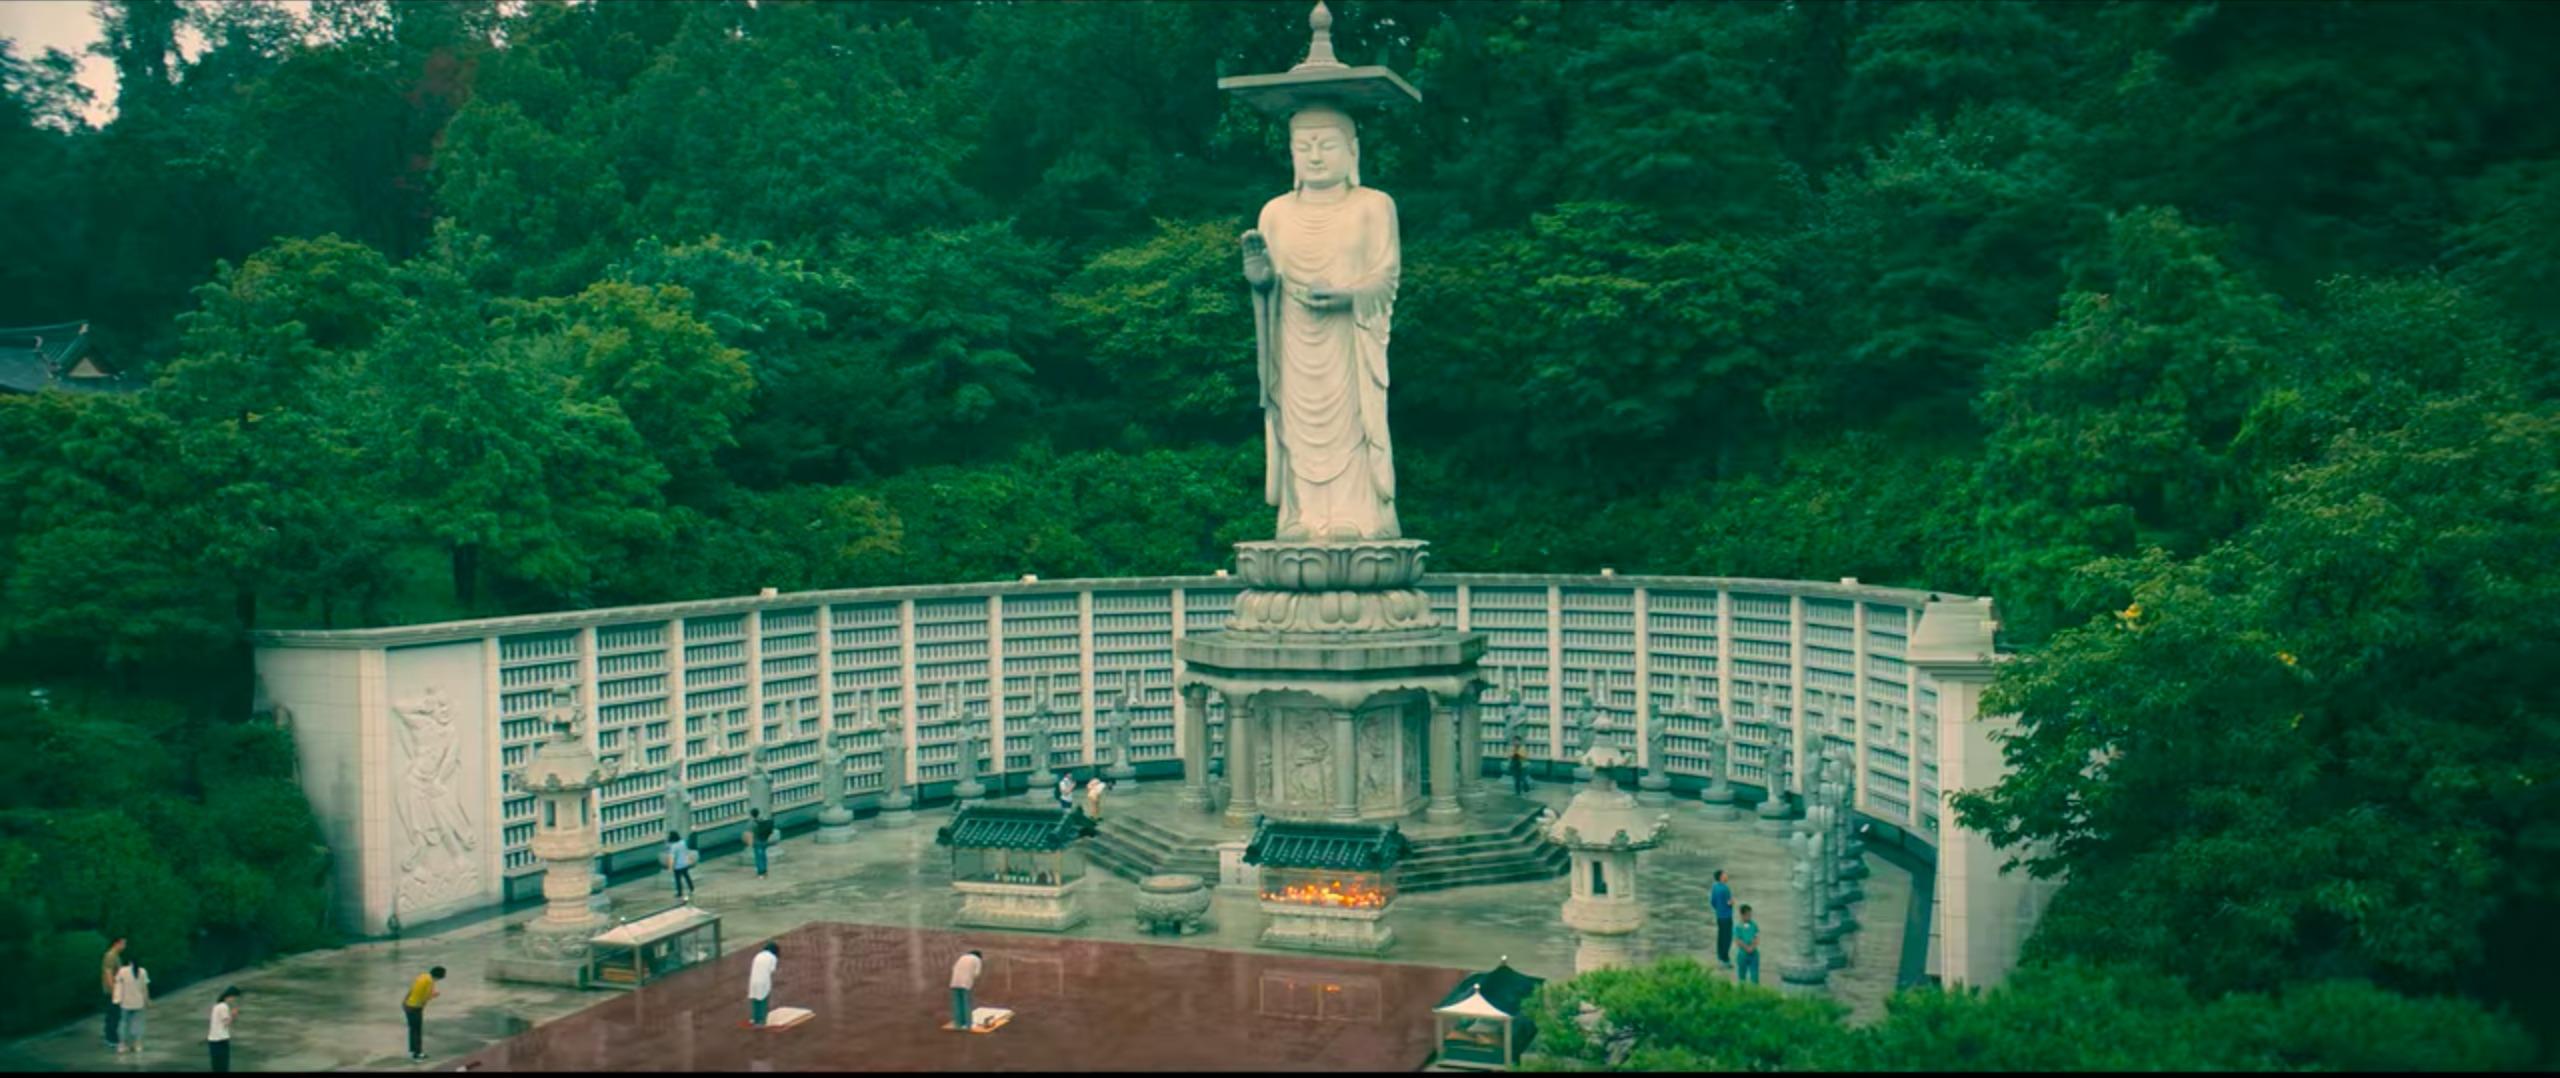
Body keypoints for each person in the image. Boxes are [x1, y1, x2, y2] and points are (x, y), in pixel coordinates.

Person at [402, 965, 444, 1062]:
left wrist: (404, 1001)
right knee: (417, 1030)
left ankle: (413, 1050)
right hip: (415, 1008)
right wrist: (434, 995)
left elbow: (412, 989)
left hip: (408, 1005)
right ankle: (418, 1054)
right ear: (439, 976)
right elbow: (425, 997)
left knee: (413, 1029)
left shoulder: (423, 976)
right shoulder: (430, 982)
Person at [111, 954, 148, 1054]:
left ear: (129, 961)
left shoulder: (122, 971)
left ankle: (122, 1045)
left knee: (123, 1023)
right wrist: (147, 1000)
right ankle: (137, 1044)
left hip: (125, 1002)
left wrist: (117, 999)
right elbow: (144, 988)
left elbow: (117, 985)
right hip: (138, 1002)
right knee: (137, 1024)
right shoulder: (142, 971)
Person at [745, 942, 780, 1028]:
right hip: (763, 981)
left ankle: (755, 1018)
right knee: (763, 1000)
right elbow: (772, 970)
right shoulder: (773, 958)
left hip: (753, 980)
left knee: (755, 999)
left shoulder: (758, 955)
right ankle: (761, 1021)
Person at [206, 986, 240, 1073]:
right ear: (230, 996)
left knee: (216, 1064)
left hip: (213, 1039)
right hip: (221, 1039)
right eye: (234, 997)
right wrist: (233, 1015)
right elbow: (226, 1023)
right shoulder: (223, 1007)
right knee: (223, 1065)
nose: (233, 1000)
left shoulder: (217, 1005)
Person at [100, 936, 126, 1050]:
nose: (124, 946)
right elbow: (108, 974)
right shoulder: (110, 956)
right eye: (123, 943)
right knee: (113, 1015)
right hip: (112, 991)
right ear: (117, 943)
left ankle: (110, 1037)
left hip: (116, 989)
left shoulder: (115, 956)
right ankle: (111, 1038)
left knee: (113, 1014)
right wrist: (114, 990)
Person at [949, 949, 984, 1031]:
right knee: (966, 1004)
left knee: (957, 1004)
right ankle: (968, 1024)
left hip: (954, 982)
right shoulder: (977, 960)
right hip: (965, 984)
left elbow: (953, 968)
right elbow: (976, 973)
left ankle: (958, 1024)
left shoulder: (962, 957)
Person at [1710, 869, 1735, 966]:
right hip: (1727, 916)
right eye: (1725, 874)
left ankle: (1720, 957)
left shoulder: (1715, 887)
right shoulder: (1725, 888)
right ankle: (1725, 960)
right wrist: (1732, 902)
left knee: (1720, 937)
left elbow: (1713, 902)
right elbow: (1729, 902)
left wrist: (1719, 909)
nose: (1727, 876)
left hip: (1719, 916)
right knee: (1727, 938)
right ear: (1721, 877)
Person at [663, 830, 696, 902]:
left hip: (677, 866)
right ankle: (691, 888)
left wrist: (670, 867)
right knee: (687, 876)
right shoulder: (683, 842)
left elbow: (672, 857)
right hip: (684, 864)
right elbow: (687, 852)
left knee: (678, 880)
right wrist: (690, 861)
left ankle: (680, 893)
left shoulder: (673, 846)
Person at [1734, 904, 1761, 985]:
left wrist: (1752, 947)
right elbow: (1738, 941)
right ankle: (1742, 993)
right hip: (1743, 954)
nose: (1749, 916)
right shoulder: (1738, 927)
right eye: (1747, 914)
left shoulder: (1754, 925)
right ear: (1742, 915)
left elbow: (1757, 937)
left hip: (1754, 954)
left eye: (1750, 914)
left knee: (1755, 977)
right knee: (1742, 977)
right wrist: (1747, 948)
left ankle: (1755, 993)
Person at [749, 809, 776, 879]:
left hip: (757, 841)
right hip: (764, 840)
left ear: (751, 815)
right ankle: (765, 871)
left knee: (759, 858)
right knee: (763, 856)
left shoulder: (752, 823)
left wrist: (751, 842)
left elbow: (752, 834)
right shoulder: (762, 820)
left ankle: (761, 873)